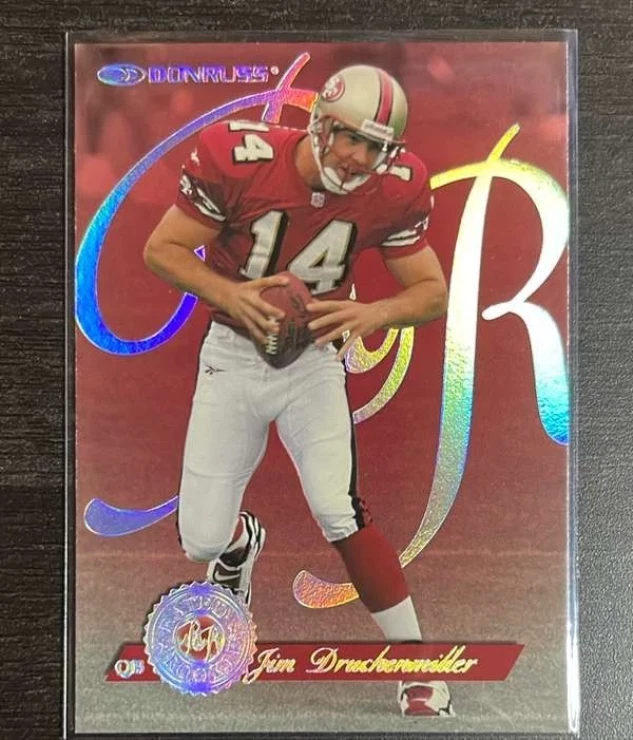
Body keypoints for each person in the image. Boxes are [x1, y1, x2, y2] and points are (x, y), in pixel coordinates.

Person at [144, 64, 452, 717]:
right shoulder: (241, 159)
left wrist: (375, 312)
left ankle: (416, 665)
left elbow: (431, 293)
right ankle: (237, 545)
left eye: (375, 146)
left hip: (313, 358)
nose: (358, 157)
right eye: (349, 137)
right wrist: (228, 293)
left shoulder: (397, 187)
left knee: (338, 508)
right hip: (232, 352)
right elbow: (162, 248)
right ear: (318, 123)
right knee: (200, 540)